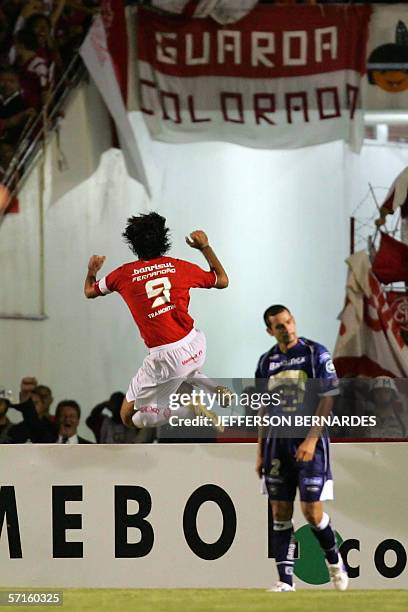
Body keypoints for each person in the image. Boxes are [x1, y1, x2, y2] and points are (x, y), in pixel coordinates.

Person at [84, 212, 229, 430]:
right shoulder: (179, 266)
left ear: (133, 244)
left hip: (167, 358)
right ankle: (206, 383)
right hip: (196, 345)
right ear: (164, 239)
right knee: (182, 378)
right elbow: (222, 280)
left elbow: (89, 291)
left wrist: (92, 271)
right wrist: (205, 247)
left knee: (128, 417)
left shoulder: (122, 275)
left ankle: (188, 410)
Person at [255, 305, 348, 592]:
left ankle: (334, 562)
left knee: (312, 513)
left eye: (289, 321)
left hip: (310, 442)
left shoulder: (314, 353)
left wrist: (310, 439)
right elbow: (262, 408)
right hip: (276, 444)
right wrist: (259, 451)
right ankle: (285, 582)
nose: (287, 328)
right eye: (280, 326)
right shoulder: (266, 361)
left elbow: (328, 397)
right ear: (270, 331)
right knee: (279, 512)